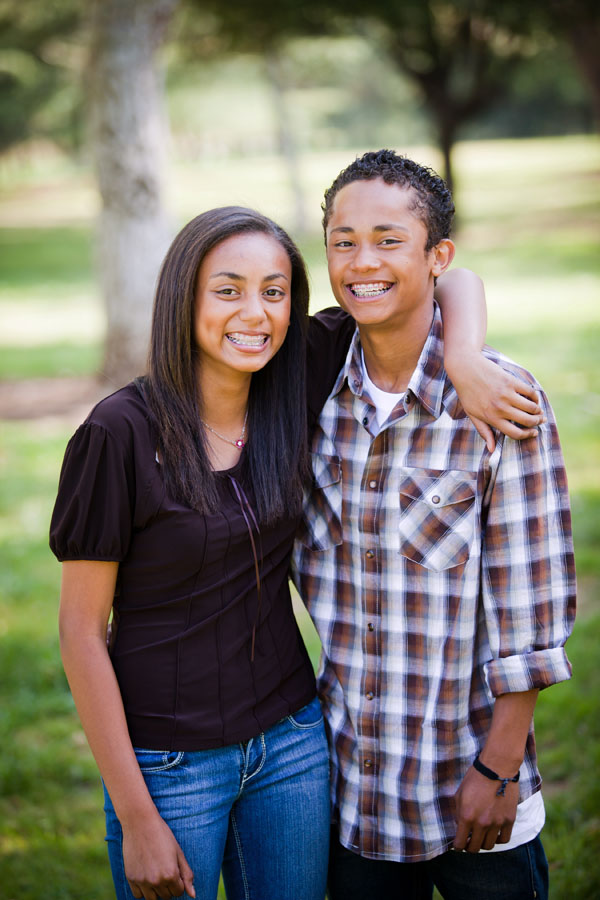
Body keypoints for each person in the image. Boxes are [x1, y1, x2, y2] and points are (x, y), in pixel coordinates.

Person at [50, 205, 539, 900]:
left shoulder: (298, 379)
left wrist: (461, 357)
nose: (255, 313)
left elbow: (449, 282)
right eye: (228, 290)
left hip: (293, 747)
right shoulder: (118, 434)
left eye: (274, 291)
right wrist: (136, 815)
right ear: (180, 298)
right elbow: (79, 632)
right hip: (168, 762)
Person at [293, 150, 576, 900]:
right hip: (353, 788)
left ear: (435, 255)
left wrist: (499, 767)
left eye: (389, 239)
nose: (362, 262)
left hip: (472, 781)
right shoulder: (309, 397)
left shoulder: (498, 402)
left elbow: (531, 606)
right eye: (342, 240)